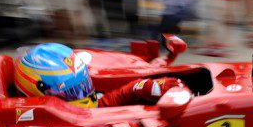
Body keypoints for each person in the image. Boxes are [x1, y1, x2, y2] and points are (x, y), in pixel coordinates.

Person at [15, 43, 186, 108]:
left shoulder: (78, 105)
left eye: (83, 86)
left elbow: (104, 103)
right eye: (70, 92)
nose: (83, 96)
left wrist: (139, 87)